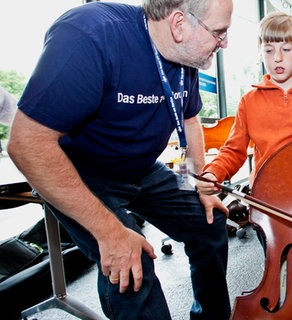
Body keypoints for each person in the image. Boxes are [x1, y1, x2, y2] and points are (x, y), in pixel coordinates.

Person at [7, 1, 233, 319]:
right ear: (179, 24)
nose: (225, 43)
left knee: (209, 222)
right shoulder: (88, 35)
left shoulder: (188, 56)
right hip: (80, 173)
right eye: (220, 32)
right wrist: (111, 234)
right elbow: (26, 144)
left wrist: (193, 182)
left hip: (139, 168)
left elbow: (188, 121)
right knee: (131, 260)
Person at [196, 11, 292, 191]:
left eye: (286, 49)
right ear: (260, 52)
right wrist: (213, 172)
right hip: (267, 196)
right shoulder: (249, 101)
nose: (277, 57)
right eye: (269, 50)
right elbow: (233, 150)